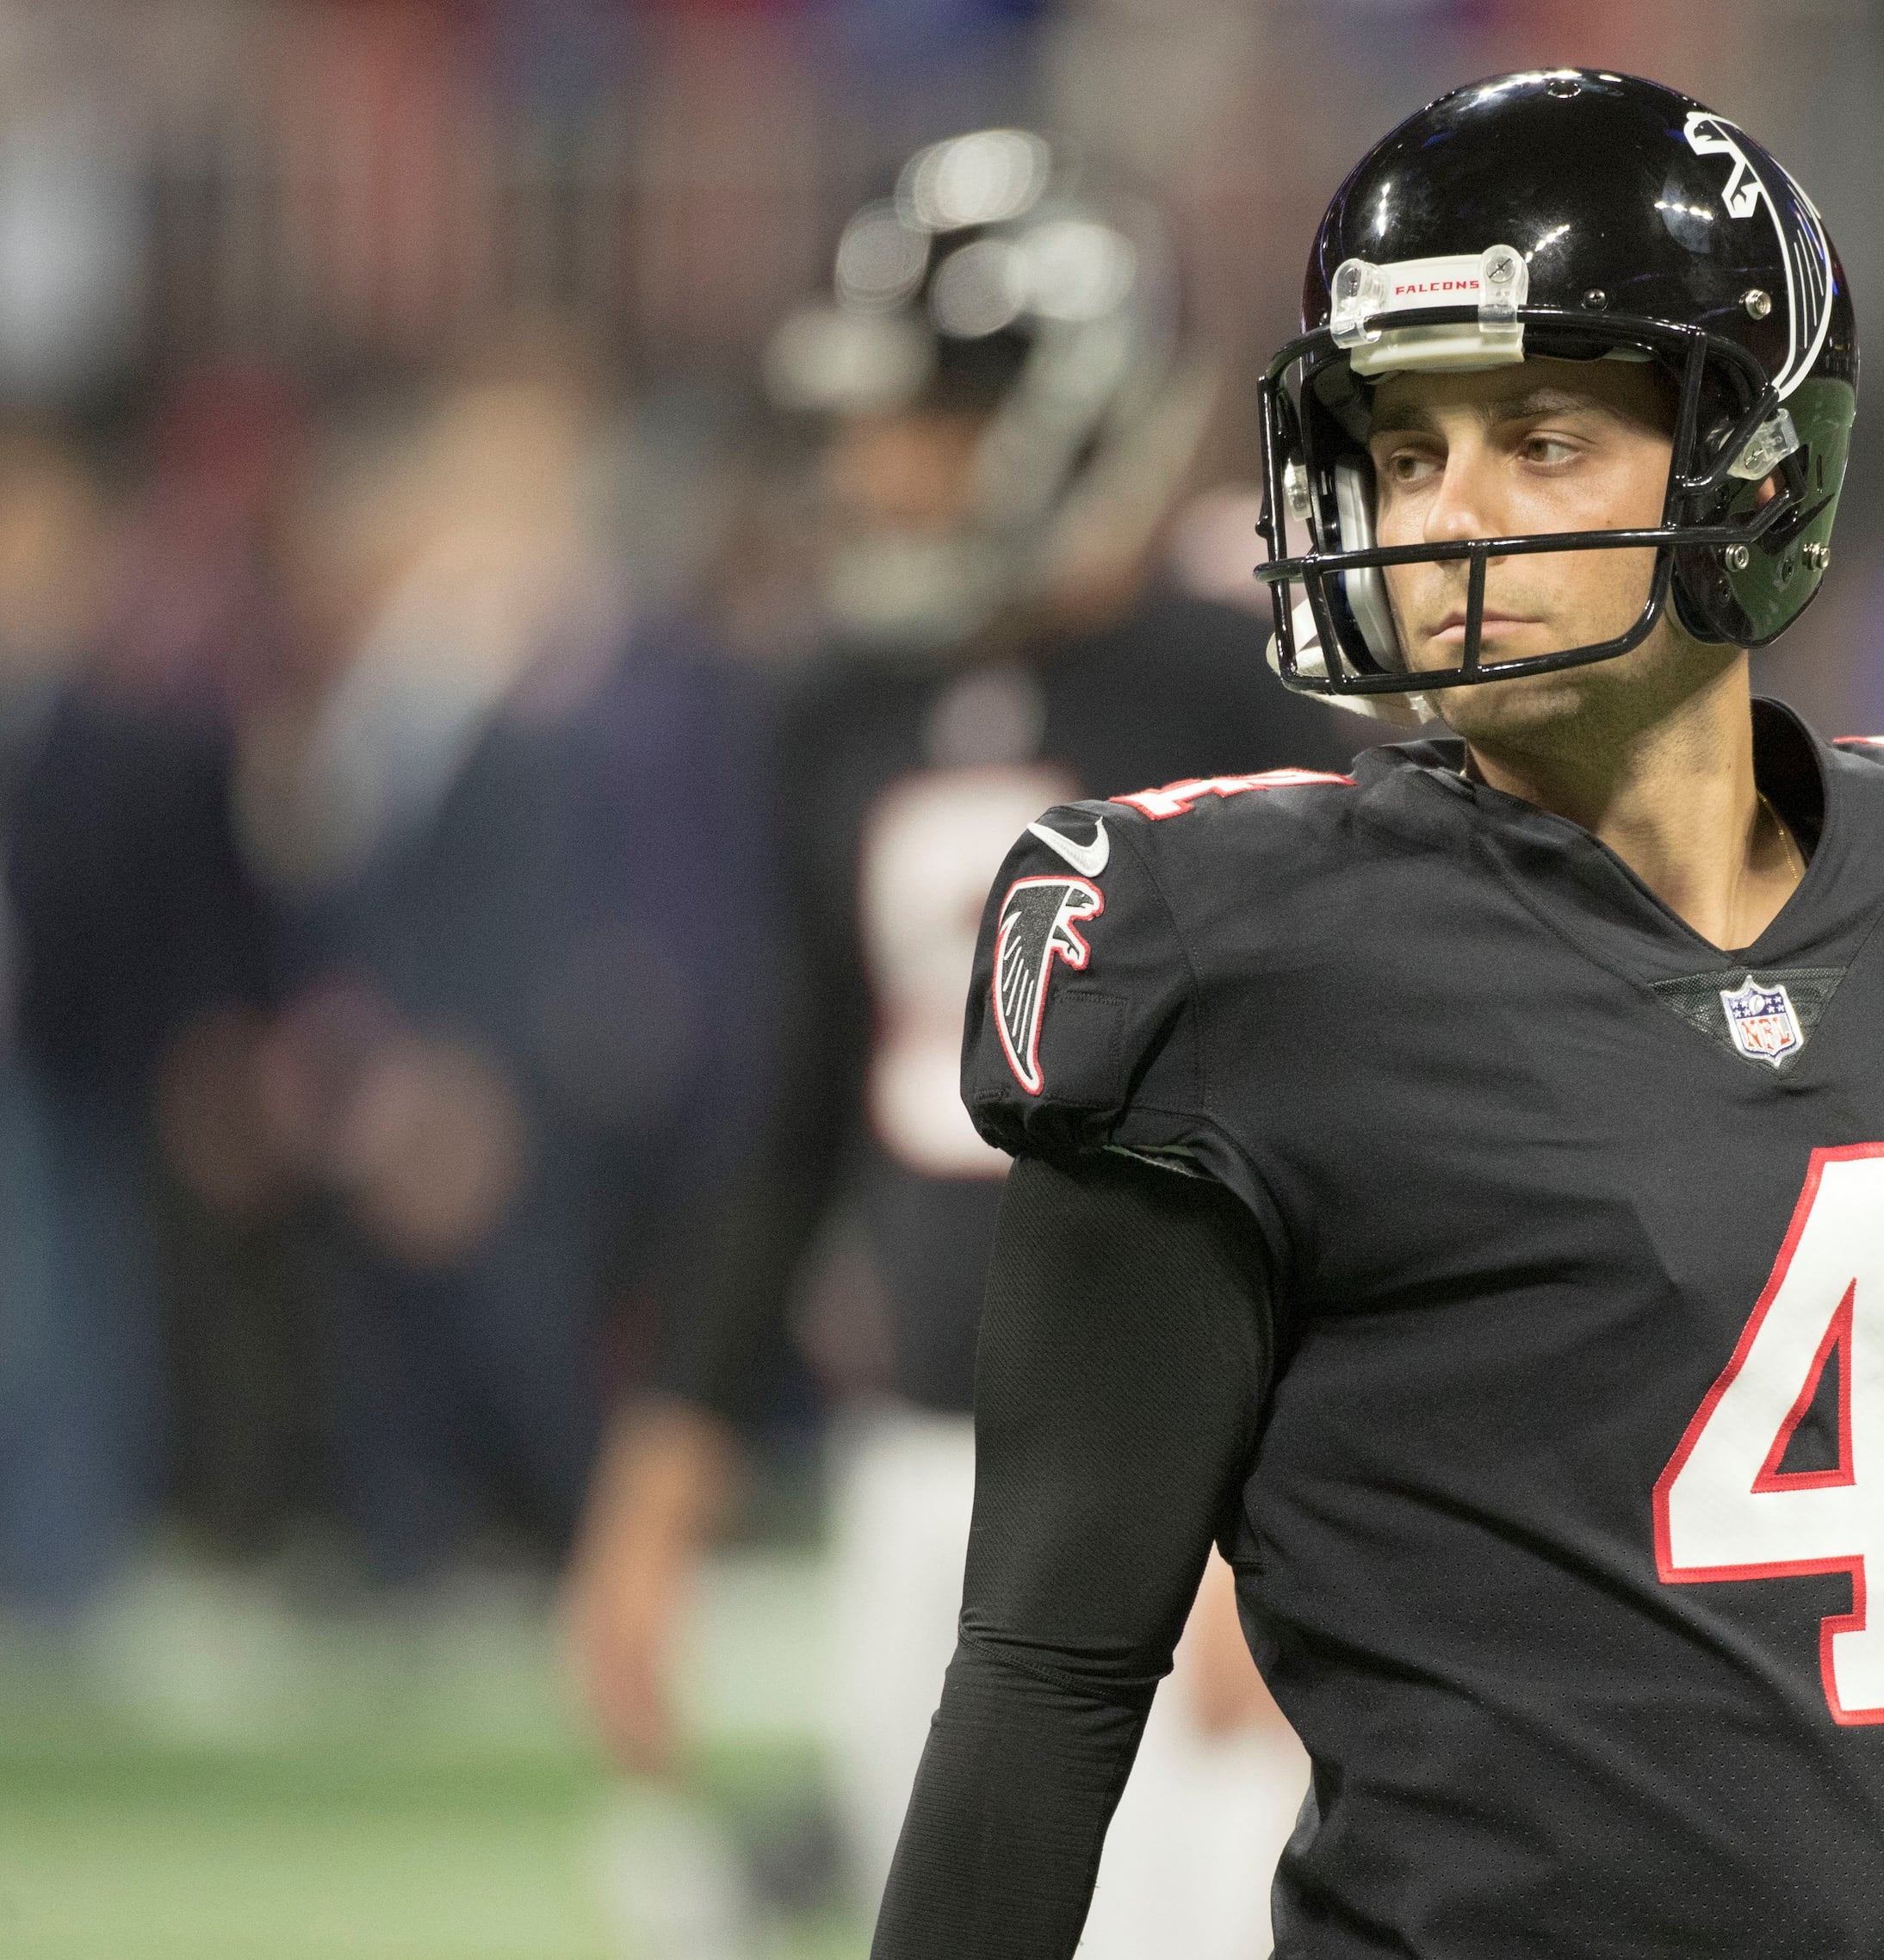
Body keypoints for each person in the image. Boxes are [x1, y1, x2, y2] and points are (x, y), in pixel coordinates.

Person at [875, 73, 1884, 1960]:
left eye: (1539, 439)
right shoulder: (1237, 961)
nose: (1444, 516)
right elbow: (1049, 1678)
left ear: (1753, 464)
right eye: (1403, 452)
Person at [558, 132, 1343, 1950]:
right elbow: (797, 1112)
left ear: (1064, 410)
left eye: (918, 418)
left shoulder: (1247, 702)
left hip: (1183, 1463)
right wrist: (663, 1472)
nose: (874, 468)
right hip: (918, 1454)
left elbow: (1340, 1136)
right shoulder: (835, 702)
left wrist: (1284, 1488)